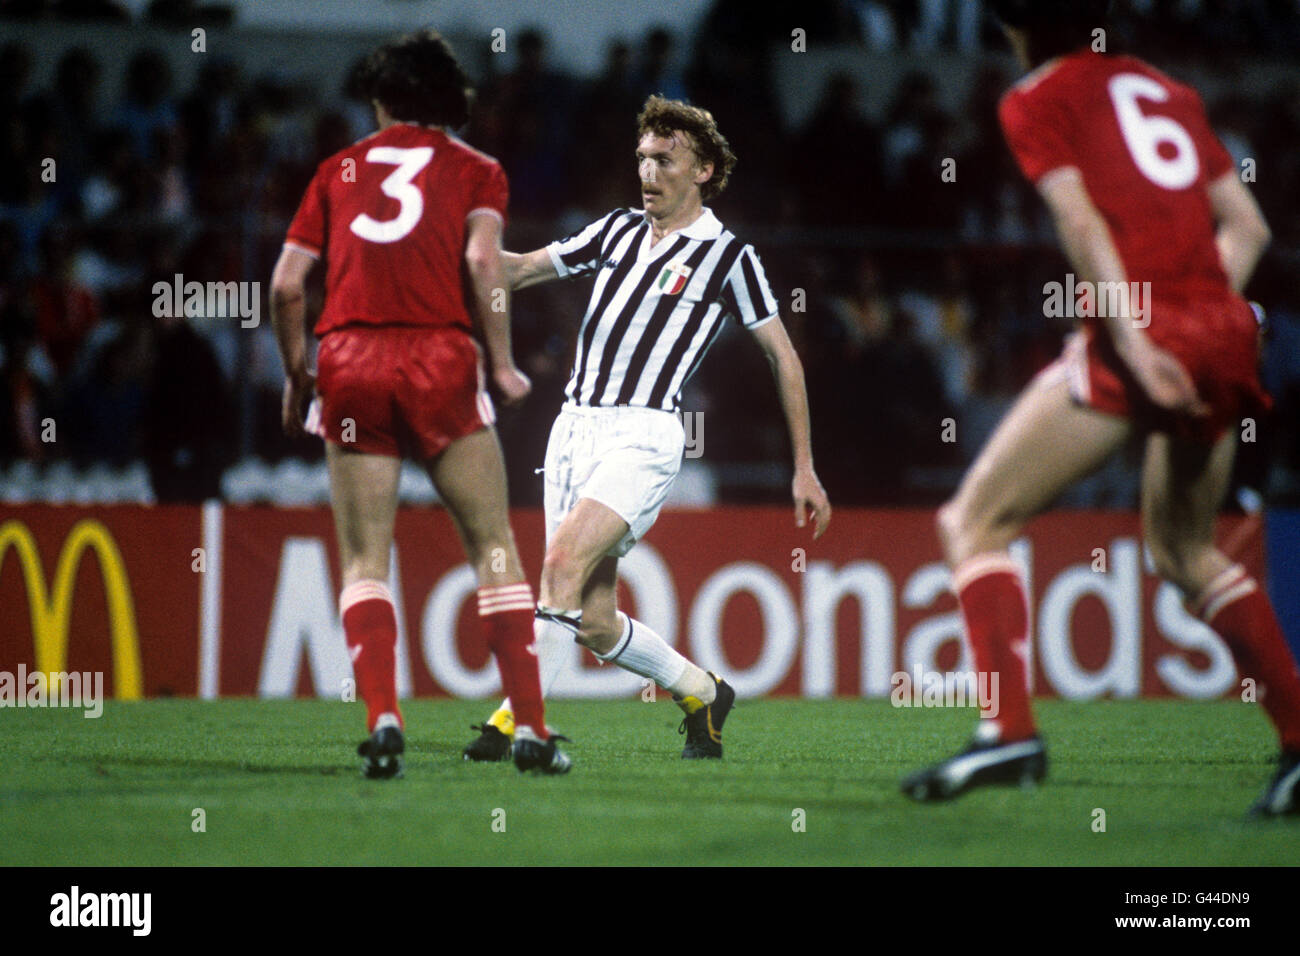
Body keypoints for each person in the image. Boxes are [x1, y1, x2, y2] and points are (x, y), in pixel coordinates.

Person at [902, 0, 1300, 817]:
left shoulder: (1036, 98)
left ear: (1017, 28)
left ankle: (1008, 730)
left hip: (1141, 333)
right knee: (1187, 552)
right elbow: (1250, 228)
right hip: (1225, 330)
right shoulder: (1169, 90)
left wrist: (1142, 335)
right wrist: (1202, 319)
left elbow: (1081, 223)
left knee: (972, 522)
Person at [463, 95, 832, 762]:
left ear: (704, 170)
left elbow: (785, 356)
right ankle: (702, 690)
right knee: (591, 616)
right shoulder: (615, 230)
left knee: (559, 568)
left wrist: (802, 466)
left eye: (665, 160)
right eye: (642, 159)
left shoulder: (728, 258)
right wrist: (466, 248)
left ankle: (521, 726)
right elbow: (518, 271)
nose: (648, 173)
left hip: (645, 434)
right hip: (572, 428)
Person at [270, 30, 569, 778]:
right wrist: (499, 362)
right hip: (438, 356)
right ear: (451, 101)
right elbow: (480, 259)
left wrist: (298, 374)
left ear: (381, 99)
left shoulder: (337, 167)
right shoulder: (477, 170)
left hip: (348, 360)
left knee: (365, 557)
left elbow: (283, 285)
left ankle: (382, 716)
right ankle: (531, 729)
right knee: (494, 546)